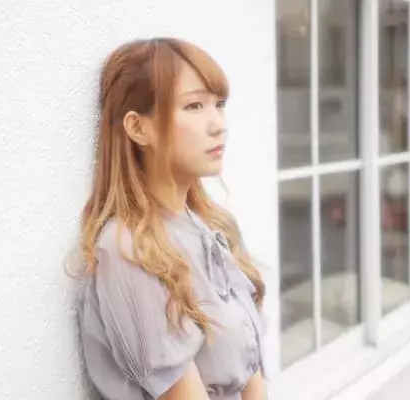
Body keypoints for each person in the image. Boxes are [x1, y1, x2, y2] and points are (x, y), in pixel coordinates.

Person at [67, 37, 268, 400]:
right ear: (137, 128)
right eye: (194, 106)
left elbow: (252, 377)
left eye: (219, 105)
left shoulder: (215, 227)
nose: (218, 124)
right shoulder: (128, 249)